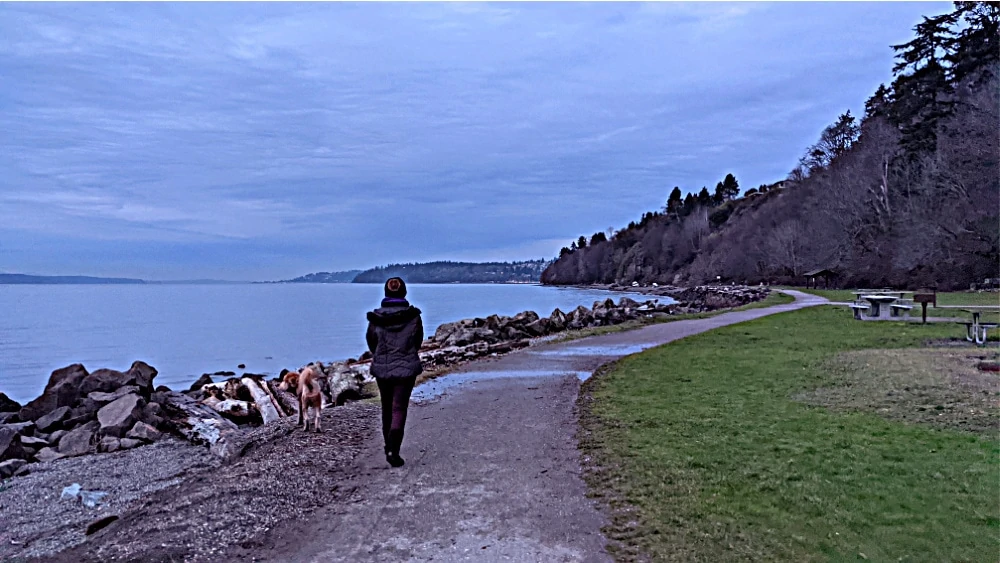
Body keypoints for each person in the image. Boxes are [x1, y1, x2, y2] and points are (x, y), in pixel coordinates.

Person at [366, 277, 423, 467]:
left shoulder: (376, 318)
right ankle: (393, 450)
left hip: (383, 368)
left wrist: (381, 355)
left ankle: (388, 445)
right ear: (404, 293)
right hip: (406, 368)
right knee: (399, 408)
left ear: (386, 293)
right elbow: (418, 342)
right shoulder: (414, 317)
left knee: (386, 407)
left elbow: (371, 342)